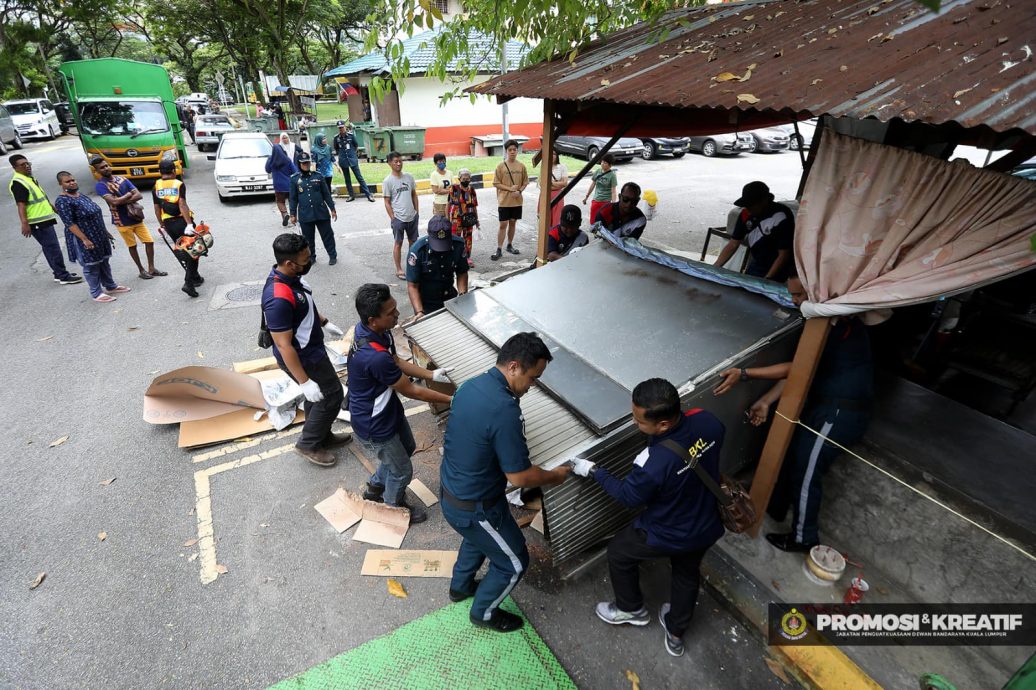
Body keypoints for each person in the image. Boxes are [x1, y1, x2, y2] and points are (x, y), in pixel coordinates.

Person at [712, 269, 872, 552]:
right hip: (822, 406)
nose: (795, 300)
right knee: (795, 458)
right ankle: (774, 506)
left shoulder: (835, 325)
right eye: (792, 294)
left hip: (839, 413)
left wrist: (745, 373)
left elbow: (799, 368)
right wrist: (766, 401)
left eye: (799, 294)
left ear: (818, 291)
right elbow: (800, 373)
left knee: (807, 472)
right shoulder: (823, 319)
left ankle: (804, 537)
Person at [570, 378, 726, 658]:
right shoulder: (708, 420)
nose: (634, 423)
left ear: (663, 424)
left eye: (639, 421)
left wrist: (594, 471)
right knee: (686, 574)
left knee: (619, 552)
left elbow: (629, 496)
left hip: (669, 531)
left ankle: (631, 609)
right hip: (706, 522)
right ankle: (676, 633)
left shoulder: (653, 463)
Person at [441, 332, 572, 632]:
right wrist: (555, 476)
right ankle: (483, 614)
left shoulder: (469, 386)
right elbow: (519, 476)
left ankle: (460, 587)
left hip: (453, 492)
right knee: (514, 561)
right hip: (476, 507)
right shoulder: (505, 409)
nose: (533, 386)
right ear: (513, 367)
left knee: (478, 539)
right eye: (533, 377)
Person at [348, 283, 453, 524]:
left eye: (395, 308)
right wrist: (450, 399)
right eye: (391, 313)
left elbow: (395, 361)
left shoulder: (376, 332)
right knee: (402, 470)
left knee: (406, 447)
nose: (397, 315)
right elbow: (412, 390)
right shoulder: (373, 356)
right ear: (373, 319)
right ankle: (393, 507)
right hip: (374, 424)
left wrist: (431, 375)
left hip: (387, 412)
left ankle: (375, 486)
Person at [262, 233, 351, 467]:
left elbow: (304, 305)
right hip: (302, 357)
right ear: (289, 263)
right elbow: (283, 344)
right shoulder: (278, 297)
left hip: (312, 350)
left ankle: (321, 435)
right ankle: (308, 444)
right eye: (305, 260)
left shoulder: (294, 280)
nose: (309, 262)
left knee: (321, 396)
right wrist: (304, 382)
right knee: (331, 395)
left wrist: (323, 322)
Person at [8, 154, 81, 285]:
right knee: (53, 248)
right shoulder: (19, 183)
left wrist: (55, 209)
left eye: (27, 163)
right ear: (14, 168)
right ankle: (63, 276)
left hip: (44, 219)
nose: (27, 166)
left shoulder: (29, 178)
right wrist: (24, 223)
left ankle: (59, 273)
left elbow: (42, 198)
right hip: (37, 222)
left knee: (50, 248)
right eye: (22, 165)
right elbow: (21, 204)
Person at [54, 171, 126, 302]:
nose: (72, 182)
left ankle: (110, 286)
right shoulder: (62, 201)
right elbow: (69, 223)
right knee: (91, 266)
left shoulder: (80, 195)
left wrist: (105, 231)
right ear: (60, 184)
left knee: (104, 261)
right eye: (68, 181)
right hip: (84, 237)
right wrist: (84, 239)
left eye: (73, 180)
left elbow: (95, 213)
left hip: (98, 234)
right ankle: (96, 293)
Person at [91, 156, 167, 281]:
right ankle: (141, 270)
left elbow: (138, 195)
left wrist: (122, 199)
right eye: (102, 168)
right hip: (121, 221)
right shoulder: (100, 186)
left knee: (149, 241)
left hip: (136, 217)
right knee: (132, 246)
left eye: (106, 166)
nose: (105, 169)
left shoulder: (122, 179)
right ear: (97, 171)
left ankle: (151, 268)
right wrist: (127, 195)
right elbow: (114, 202)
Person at [713, 181, 794, 281]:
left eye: (751, 205)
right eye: (746, 205)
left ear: (764, 201)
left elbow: (784, 254)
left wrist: (767, 279)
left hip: (778, 265)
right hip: (758, 261)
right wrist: (715, 267)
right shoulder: (745, 214)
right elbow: (733, 243)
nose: (748, 209)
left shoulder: (781, 216)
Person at [153, 159, 203, 297]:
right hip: (182, 221)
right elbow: (182, 204)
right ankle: (188, 282)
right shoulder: (178, 184)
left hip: (168, 223)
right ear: (174, 171)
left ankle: (196, 277)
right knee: (194, 251)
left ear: (160, 172)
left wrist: (162, 224)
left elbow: (157, 208)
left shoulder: (156, 185)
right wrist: (188, 224)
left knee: (182, 249)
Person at [405, 215, 469, 317]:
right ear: (428, 232)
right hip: (426, 304)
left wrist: (462, 297)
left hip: (450, 298)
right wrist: (419, 312)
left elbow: (462, 272)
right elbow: (412, 286)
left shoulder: (458, 245)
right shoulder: (417, 251)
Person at [289, 152, 338, 266]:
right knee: (308, 239)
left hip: (321, 212)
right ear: (299, 164)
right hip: (305, 214)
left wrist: (332, 208)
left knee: (328, 236)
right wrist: (292, 214)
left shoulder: (318, 176)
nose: (306, 165)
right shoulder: (294, 179)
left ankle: (332, 255)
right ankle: (311, 257)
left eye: (307, 162)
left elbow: (326, 194)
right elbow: (293, 198)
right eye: (303, 163)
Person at [382, 151, 419, 279]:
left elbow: (414, 194)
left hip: (412, 216)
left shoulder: (409, 177)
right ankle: (399, 269)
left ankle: (412, 267)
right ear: (389, 163)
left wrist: (416, 212)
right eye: (395, 162)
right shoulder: (388, 181)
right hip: (398, 218)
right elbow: (386, 201)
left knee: (413, 243)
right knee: (398, 243)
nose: (398, 164)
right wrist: (393, 217)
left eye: (400, 161)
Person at [491, 140, 528, 261]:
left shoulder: (521, 166)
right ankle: (499, 249)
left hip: (517, 201)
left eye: (514, 149)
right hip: (504, 201)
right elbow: (496, 183)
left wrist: (520, 191)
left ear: (517, 151)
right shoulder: (500, 166)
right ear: (506, 151)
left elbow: (525, 182)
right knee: (503, 224)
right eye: (510, 150)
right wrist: (510, 189)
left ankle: (509, 245)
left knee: (513, 222)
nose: (512, 152)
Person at [332, 121, 374, 202]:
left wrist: (353, 154)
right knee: (347, 179)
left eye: (342, 127)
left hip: (352, 159)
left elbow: (356, 145)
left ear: (345, 127)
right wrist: (342, 155)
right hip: (343, 160)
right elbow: (336, 148)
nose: (341, 129)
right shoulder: (336, 138)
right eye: (339, 128)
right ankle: (351, 195)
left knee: (359, 177)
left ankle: (368, 195)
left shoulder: (351, 136)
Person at [447, 168, 479, 267]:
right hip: (456, 218)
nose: (466, 180)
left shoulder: (472, 190)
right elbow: (448, 204)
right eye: (463, 178)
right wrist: (448, 219)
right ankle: (455, 258)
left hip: (469, 218)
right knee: (455, 238)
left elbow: (474, 205)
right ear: (459, 179)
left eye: (467, 178)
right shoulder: (454, 189)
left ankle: (467, 257)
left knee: (468, 238)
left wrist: (477, 219)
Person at [266, 137, 298, 227]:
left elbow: (267, 170)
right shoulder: (287, 160)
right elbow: (295, 171)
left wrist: (269, 160)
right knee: (292, 201)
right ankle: (293, 216)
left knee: (280, 201)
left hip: (278, 186)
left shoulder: (271, 160)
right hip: (289, 184)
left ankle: (284, 214)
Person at [583, 153, 617, 223]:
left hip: (606, 201)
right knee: (593, 220)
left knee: (604, 220)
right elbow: (593, 185)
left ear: (610, 165)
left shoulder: (612, 176)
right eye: (602, 162)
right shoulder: (598, 171)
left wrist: (613, 204)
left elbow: (613, 191)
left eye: (605, 163)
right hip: (596, 200)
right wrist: (587, 196)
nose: (602, 164)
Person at [547, 149, 568, 229]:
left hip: (558, 195)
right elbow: (543, 185)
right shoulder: (545, 166)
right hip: (546, 195)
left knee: (557, 219)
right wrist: (559, 184)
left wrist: (551, 183)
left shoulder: (562, 167)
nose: (552, 156)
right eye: (550, 154)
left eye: (554, 154)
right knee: (546, 219)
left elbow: (565, 183)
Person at [429, 153, 453, 217]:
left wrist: (443, 190)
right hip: (440, 204)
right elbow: (436, 190)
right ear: (435, 163)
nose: (442, 163)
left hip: (450, 202)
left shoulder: (450, 173)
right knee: (441, 223)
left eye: (443, 161)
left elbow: (453, 187)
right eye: (439, 161)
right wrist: (449, 190)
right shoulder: (434, 175)